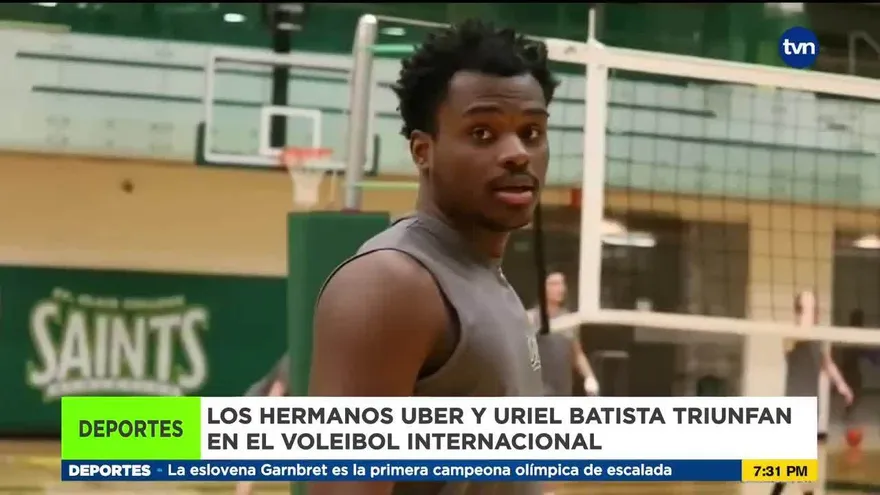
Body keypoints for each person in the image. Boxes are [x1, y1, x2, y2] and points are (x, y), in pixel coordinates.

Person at [306, 19, 558, 495]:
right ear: (424, 151)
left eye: (531, 132)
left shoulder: (489, 281)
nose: (517, 153)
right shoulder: (392, 283)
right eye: (483, 133)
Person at [770, 290, 854, 495]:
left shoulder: (817, 339)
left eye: (815, 308)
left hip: (810, 412)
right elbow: (800, 335)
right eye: (808, 308)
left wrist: (842, 385)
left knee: (793, 468)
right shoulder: (791, 335)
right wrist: (806, 318)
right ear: (798, 311)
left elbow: (827, 363)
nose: (814, 312)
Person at [527, 271, 599, 396]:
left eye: (562, 284)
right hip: (538, 389)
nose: (560, 288)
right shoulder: (530, 318)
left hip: (562, 389)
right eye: (554, 284)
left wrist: (589, 377)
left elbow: (577, 354)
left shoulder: (570, 320)